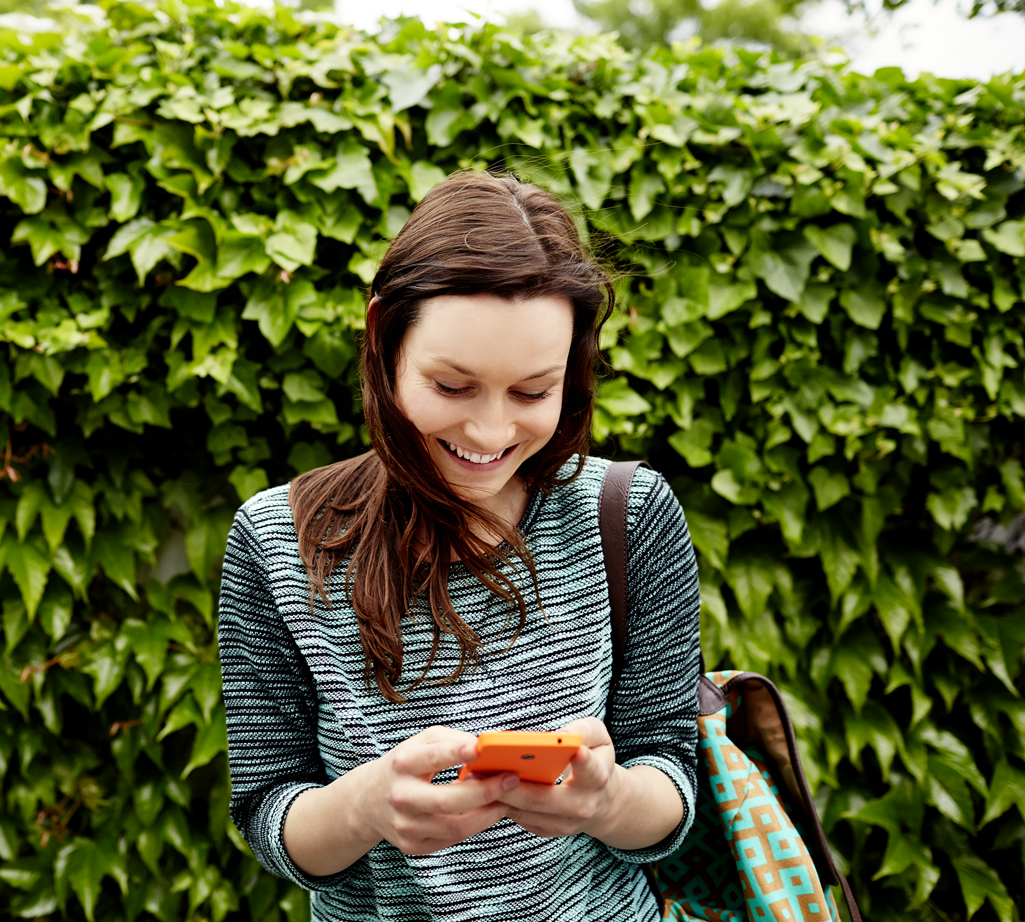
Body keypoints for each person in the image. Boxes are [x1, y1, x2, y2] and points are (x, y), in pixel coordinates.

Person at [217, 171, 701, 921]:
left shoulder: (630, 515)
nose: (489, 433)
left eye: (534, 392)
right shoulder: (278, 540)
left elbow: (671, 781)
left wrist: (605, 802)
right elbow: (266, 811)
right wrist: (366, 808)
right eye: (451, 387)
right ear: (383, 335)